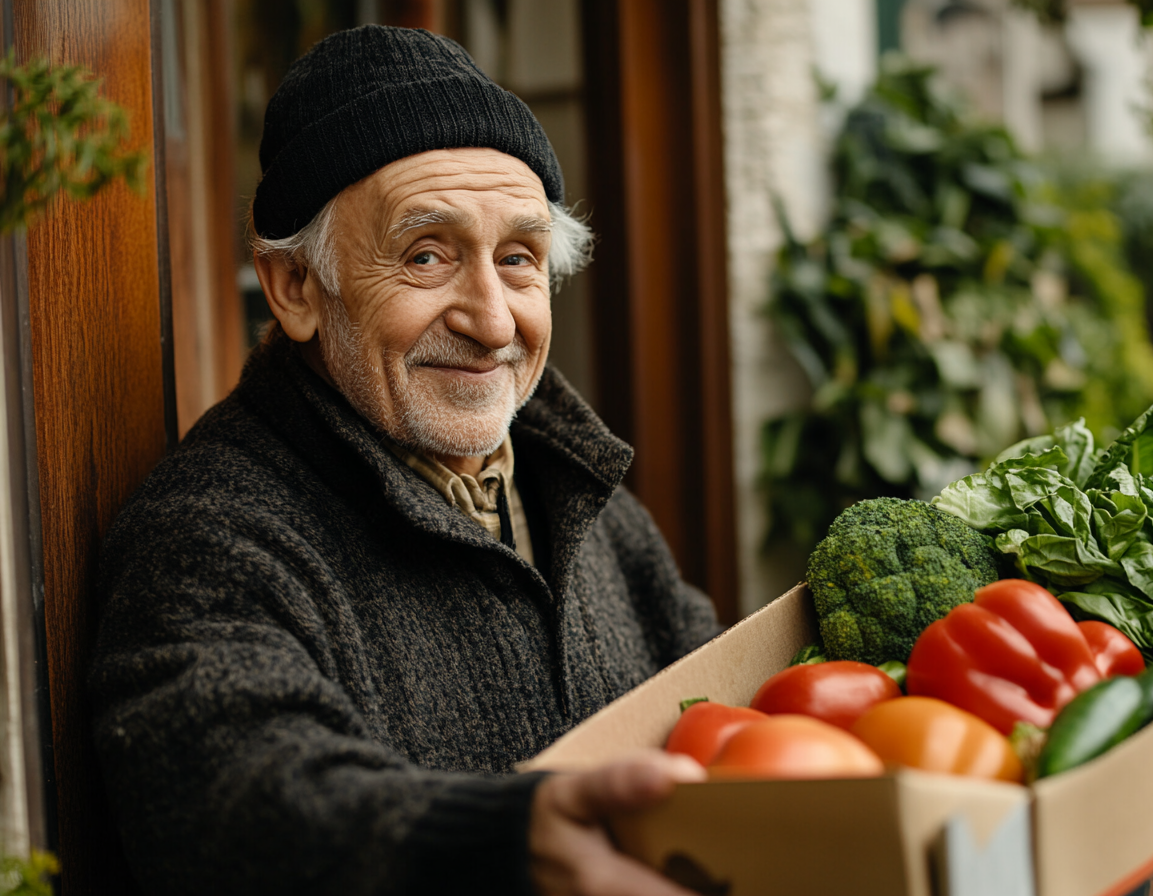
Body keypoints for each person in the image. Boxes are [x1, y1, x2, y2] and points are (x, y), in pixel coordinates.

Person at [89, 25, 720, 896]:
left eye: (518, 260)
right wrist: (498, 840)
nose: (494, 322)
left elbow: (724, 702)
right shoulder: (209, 536)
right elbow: (236, 799)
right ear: (297, 290)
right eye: (427, 256)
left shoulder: (583, 491)